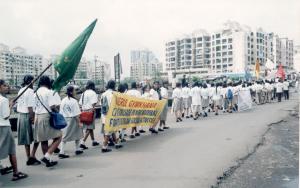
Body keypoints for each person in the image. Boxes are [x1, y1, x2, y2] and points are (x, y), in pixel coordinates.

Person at [0, 79, 28, 181]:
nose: (7, 87)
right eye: (4, 85)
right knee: (11, 151)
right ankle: (16, 173)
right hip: (4, 127)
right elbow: (6, 116)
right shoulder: (3, 100)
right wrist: (11, 106)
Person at [34, 75, 62, 167]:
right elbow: (52, 106)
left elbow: (34, 108)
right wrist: (58, 112)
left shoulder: (35, 93)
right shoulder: (49, 92)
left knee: (43, 140)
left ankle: (48, 160)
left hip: (38, 117)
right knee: (58, 137)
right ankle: (47, 156)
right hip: (47, 117)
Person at [17, 75, 40, 165]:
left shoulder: (21, 90)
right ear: (31, 81)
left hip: (21, 116)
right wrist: (33, 118)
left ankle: (29, 157)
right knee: (37, 137)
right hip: (28, 115)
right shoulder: (30, 91)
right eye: (33, 80)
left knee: (26, 139)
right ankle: (32, 155)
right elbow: (30, 107)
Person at [58, 86, 84, 158]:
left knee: (65, 135)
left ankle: (75, 149)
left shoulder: (63, 100)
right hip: (73, 119)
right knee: (77, 134)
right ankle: (63, 152)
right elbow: (76, 114)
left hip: (64, 119)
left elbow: (61, 111)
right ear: (71, 92)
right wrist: (79, 122)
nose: (75, 92)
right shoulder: (74, 101)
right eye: (74, 91)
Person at [100, 80, 123, 153]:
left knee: (111, 130)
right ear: (113, 86)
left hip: (104, 115)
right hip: (111, 114)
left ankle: (116, 143)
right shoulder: (114, 94)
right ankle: (104, 147)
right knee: (108, 131)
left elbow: (101, 104)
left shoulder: (103, 94)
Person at [79, 81, 100, 149]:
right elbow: (94, 103)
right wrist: (92, 108)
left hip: (83, 112)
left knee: (89, 127)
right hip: (90, 112)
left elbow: (80, 103)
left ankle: (93, 141)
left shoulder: (83, 93)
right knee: (89, 127)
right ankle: (82, 142)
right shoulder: (93, 93)